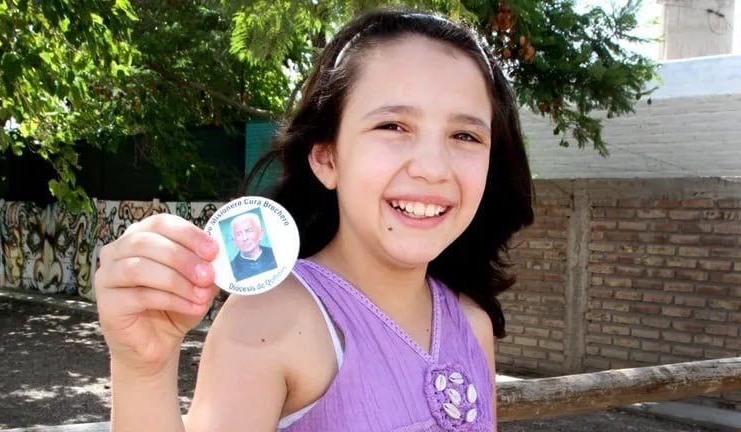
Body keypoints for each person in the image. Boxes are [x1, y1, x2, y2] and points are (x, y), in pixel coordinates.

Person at [94, 9, 533, 432]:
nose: (433, 168)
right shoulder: (268, 320)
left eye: (465, 135)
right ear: (326, 158)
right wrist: (144, 372)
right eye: (393, 126)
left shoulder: (473, 324)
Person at [228, 212, 277, 281]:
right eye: (239, 234)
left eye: (249, 231)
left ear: (261, 234)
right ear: (234, 242)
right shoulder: (231, 269)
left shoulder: (276, 254)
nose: (245, 238)